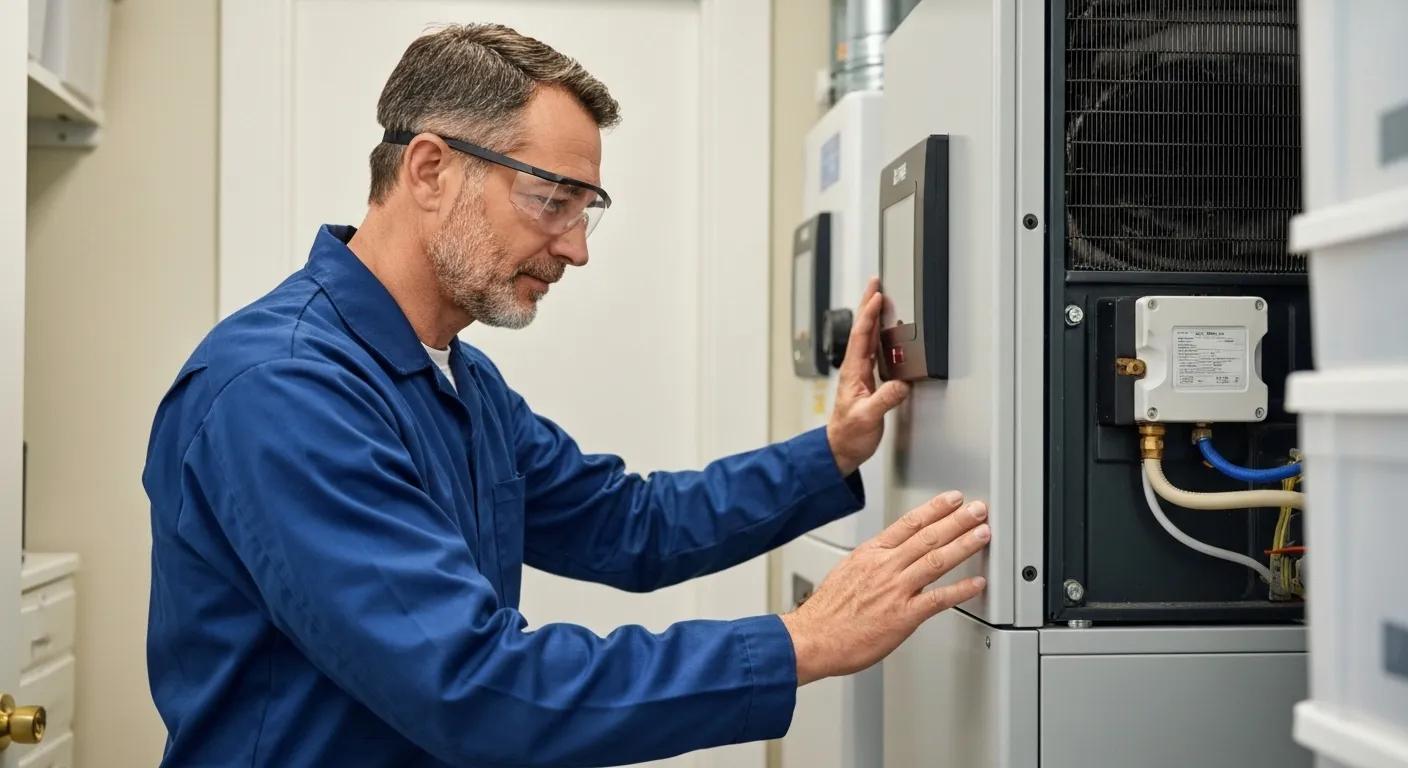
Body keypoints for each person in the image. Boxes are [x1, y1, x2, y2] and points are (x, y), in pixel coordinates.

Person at [142, 23, 990, 767]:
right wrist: (798, 642)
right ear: (431, 169)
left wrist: (832, 451)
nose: (577, 249)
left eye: (588, 209)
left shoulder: (457, 379)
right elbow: (473, 688)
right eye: (552, 201)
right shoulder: (285, 391)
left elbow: (631, 525)